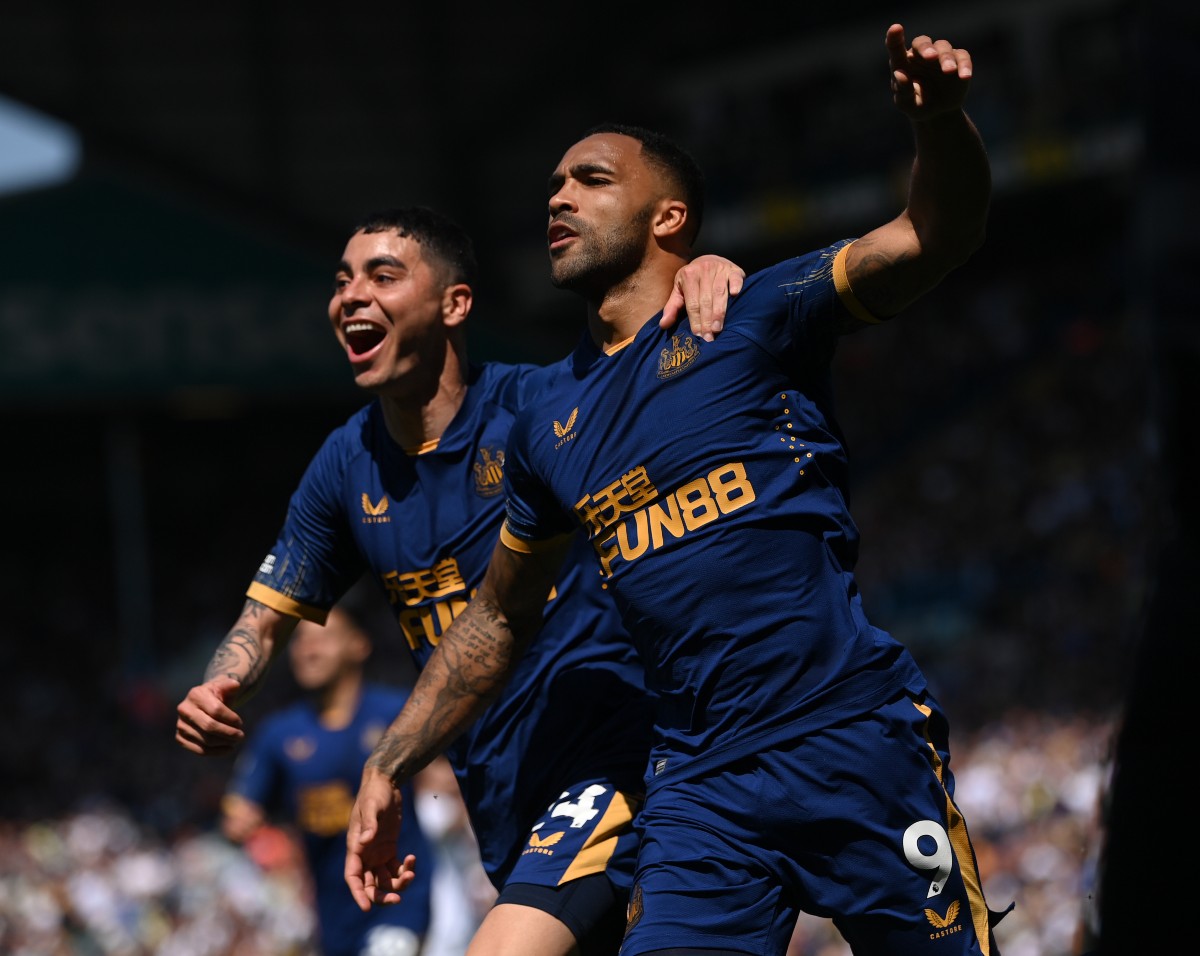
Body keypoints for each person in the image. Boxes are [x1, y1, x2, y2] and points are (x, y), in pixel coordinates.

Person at [345, 22, 1011, 956]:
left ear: (669, 219)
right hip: (699, 783)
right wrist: (389, 763)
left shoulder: (754, 317)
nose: (559, 196)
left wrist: (939, 122)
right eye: (553, 186)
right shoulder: (543, 420)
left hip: (848, 734)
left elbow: (939, 233)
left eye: (591, 180)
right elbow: (497, 619)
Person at [174, 205, 745, 956]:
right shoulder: (346, 466)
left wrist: (705, 273)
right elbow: (262, 619)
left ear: (455, 304)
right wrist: (220, 686)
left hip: (618, 757)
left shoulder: (537, 407)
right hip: (503, 799)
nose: (351, 295)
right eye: (342, 280)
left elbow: (651, 370)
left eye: (383, 275)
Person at [220, 601, 436, 956]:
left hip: (399, 899)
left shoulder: (398, 712)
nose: (308, 649)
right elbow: (239, 810)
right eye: (300, 640)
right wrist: (240, 821)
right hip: (331, 913)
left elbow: (449, 775)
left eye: (322, 638)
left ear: (358, 645)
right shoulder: (278, 734)